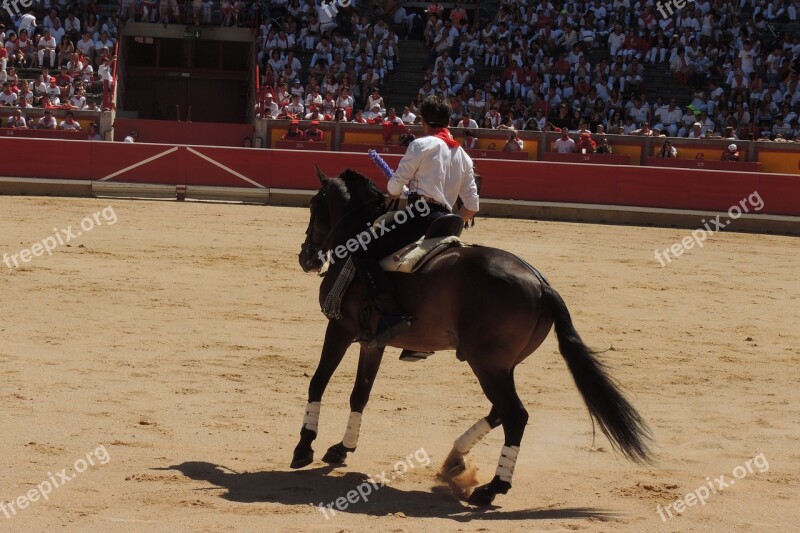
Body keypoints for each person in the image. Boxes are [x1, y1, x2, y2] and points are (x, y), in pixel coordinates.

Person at [357, 95, 479, 358]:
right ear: (449, 121)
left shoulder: (420, 145)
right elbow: (471, 207)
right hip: (448, 223)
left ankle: (390, 314)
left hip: (419, 215)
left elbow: (392, 187)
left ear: (423, 121)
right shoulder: (464, 156)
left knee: (362, 251)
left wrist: (403, 190)